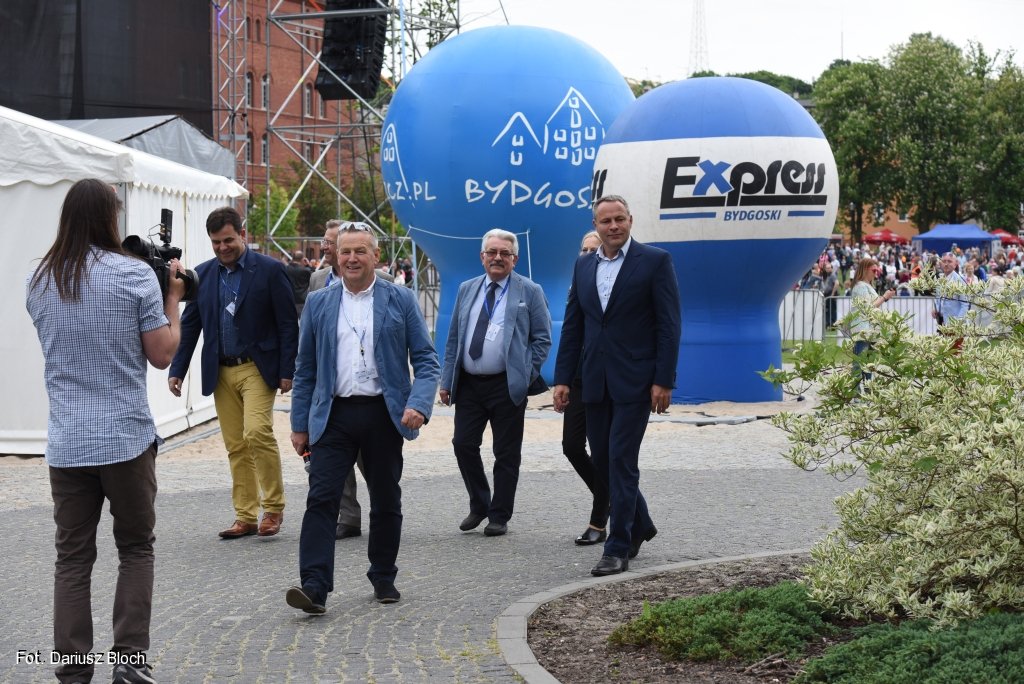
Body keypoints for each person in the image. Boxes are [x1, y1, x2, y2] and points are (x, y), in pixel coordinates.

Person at [26, 179, 186, 684]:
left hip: (68, 441)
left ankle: (73, 669)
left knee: (72, 558)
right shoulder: (134, 275)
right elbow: (162, 354)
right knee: (135, 548)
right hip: (125, 438)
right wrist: (173, 299)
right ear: (111, 218)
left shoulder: (39, 279)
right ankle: (130, 662)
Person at [286, 223, 439, 611]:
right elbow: (305, 368)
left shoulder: (400, 299)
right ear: (335, 257)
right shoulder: (319, 302)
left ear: (376, 256)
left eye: (360, 251)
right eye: (345, 252)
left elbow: (426, 359)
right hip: (333, 415)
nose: (352, 258)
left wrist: (419, 404)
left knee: (385, 498)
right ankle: (314, 586)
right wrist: (299, 424)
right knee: (321, 498)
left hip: (383, 414)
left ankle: (383, 575)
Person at [553, 194, 681, 577]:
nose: (613, 226)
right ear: (595, 225)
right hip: (594, 380)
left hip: (636, 381)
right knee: (604, 461)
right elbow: (574, 325)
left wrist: (663, 379)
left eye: (619, 219)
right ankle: (641, 523)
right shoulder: (583, 265)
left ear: (630, 220)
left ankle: (618, 547)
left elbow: (669, 325)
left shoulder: (655, 261)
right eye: (605, 220)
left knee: (621, 460)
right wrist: (562, 379)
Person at [168, 206, 298, 539]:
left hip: (257, 367)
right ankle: (246, 516)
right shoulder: (202, 275)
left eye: (228, 240)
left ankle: (273, 508)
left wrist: (287, 369)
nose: (222, 247)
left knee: (256, 432)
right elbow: (191, 325)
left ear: (242, 234)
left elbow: (288, 323)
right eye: (216, 242)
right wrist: (177, 369)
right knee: (236, 445)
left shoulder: (270, 270)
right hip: (220, 371)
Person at [440, 228, 552, 537]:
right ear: (482, 256)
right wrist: (447, 380)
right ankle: (480, 503)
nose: (497, 258)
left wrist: (525, 374)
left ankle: (499, 515)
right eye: (492, 252)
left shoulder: (530, 291)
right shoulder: (467, 289)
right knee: (463, 444)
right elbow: (454, 338)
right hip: (469, 385)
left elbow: (542, 339)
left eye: (505, 253)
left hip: (507, 385)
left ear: (515, 259)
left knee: (506, 453)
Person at [309, 219, 395, 540]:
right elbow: (310, 343)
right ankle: (347, 516)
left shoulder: (389, 287)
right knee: (329, 478)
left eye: (358, 250)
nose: (330, 249)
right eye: (336, 246)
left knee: (378, 475)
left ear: (373, 254)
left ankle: (382, 518)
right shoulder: (318, 283)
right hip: (334, 395)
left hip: (376, 402)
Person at [562, 230, 609, 546]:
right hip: (579, 378)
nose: (588, 254)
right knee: (571, 446)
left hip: (606, 380)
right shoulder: (577, 283)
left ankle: (598, 520)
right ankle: (615, 499)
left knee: (604, 453)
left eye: (595, 250)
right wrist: (562, 380)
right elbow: (570, 334)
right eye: (584, 250)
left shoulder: (611, 285)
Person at [848, 257, 895, 382]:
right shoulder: (861, 286)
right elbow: (868, 308)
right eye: (874, 270)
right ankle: (857, 390)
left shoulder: (866, 286)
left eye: (877, 271)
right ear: (865, 270)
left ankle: (868, 389)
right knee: (860, 363)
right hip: (863, 330)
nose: (876, 273)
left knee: (868, 364)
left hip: (869, 329)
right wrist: (884, 297)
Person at [933, 252, 970, 326]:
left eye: (949, 261)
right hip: (942, 322)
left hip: (955, 324)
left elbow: (965, 304)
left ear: (955, 264)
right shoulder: (940, 280)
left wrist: (958, 323)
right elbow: (938, 298)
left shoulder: (960, 280)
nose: (946, 264)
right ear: (941, 264)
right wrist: (936, 309)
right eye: (944, 261)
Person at [285, 249, 314, 316]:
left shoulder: (286, 269)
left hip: (289, 299)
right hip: (302, 300)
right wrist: (308, 265)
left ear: (292, 258)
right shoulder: (305, 270)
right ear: (303, 259)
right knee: (303, 321)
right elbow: (315, 276)